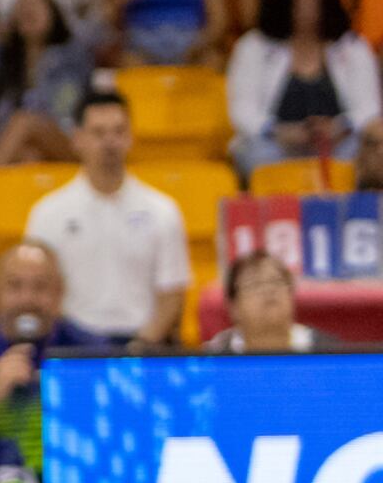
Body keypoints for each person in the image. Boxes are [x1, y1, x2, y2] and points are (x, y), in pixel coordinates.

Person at [23, 91, 189, 345]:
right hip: (72, 344)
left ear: (131, 137)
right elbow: (37, 288)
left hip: (142, 344)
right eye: (98, 133)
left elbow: (172, 293)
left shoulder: (162, 210)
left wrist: (140, 347)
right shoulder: (47, 213)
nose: (110, 142)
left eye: (119, 131)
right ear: (77, 139)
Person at [0, 242, 98, 472]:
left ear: (60, 293)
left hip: (70, 479)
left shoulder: (91, 353)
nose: (27, 299)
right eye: (14, 286)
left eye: (41, 287)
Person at [228, 0, 380, 173]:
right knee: (256, 153)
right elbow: (242, 110)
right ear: (284, 4)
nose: (307, 10)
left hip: (337, 143)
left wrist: (339, 127)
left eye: (314, 2)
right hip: (276, 144)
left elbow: (369, 107)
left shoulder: (353, 47)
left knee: (370, 152)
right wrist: (278, 132)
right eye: (299, 2)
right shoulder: (253, 46)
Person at [0, 0, 99, 167]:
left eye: (36, 5)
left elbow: (97, 31)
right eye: (21, 7)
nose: (28, 11)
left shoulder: (73, 54)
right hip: (22, 144)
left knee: (23, 121)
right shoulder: (8, 62)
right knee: (29, 157)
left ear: (54, 13)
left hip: (70, 140)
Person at [209, 251, 339, 351]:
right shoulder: (213, 359)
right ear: (234, 307)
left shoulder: (329, 353)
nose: (269, 291)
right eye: (254, 284)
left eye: (276, 281)